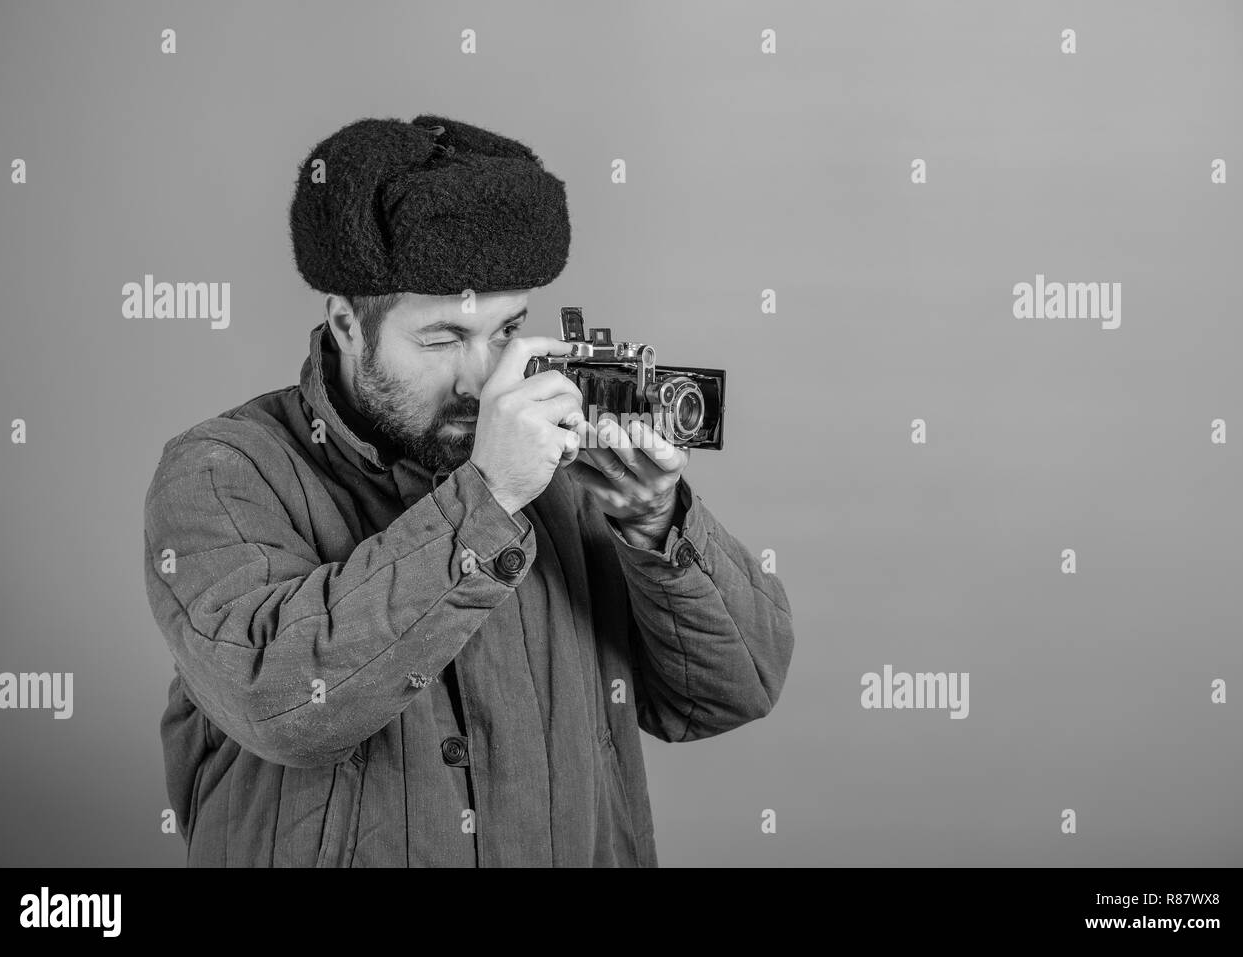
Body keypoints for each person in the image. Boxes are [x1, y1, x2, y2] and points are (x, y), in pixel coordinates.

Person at [142, 114, 794, 867]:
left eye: (507, 329)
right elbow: (281, 703)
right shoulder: (221, 472)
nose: (484, 378)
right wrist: (485, 499)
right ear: (347, 323)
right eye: (444, 338)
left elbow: (731, 692)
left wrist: (656, 526)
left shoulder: (562, 457)